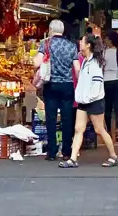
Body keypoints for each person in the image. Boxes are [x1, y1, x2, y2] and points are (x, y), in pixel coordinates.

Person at [60, 33, 118, 168]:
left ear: (88, 45)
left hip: (94, 101)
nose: (79, 43)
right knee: (78, 129)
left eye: (82, 41)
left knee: (99, 130)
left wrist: (87, 98)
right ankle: (73, 159)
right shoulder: (85, 60)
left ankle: (113, 155)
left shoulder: (95, 63)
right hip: (83, 101)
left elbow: (97, 84)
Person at [34, 19, 78, 161]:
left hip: (51, 85)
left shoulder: (46, 44)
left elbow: (36, 62)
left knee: (51, 118)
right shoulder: (72, 46)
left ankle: (51, 151)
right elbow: (77, 69)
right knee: (67, 118)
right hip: (67, 86)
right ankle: (66, 151)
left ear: (51, 30)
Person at [103, 29, 118, 141]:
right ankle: (117, 131)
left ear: (110, 40)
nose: (105, 41)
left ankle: (108, 131)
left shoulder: (103, 53)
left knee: (107, 108)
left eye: (106, 39)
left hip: (106, 82)